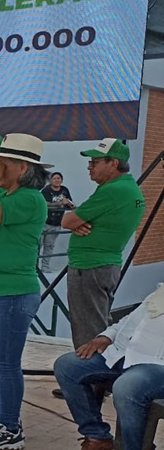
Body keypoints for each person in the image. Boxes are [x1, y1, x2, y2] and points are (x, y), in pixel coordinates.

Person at [0, 133, 50, 450]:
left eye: (1, 162)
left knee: (4, 363)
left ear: (21, 167)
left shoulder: (30, 199)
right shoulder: (9, 195)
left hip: (12, 292)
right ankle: (4, 416)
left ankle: (10, 426)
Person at [52, 283, 164, 450]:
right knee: (68, 366)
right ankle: (97, 437)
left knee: (127, 387)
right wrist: (106, 337)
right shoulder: (160, 292)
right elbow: (129, 321)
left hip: (157, 366)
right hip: (125, 355)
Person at [61, 138, 146, 348]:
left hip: (89, 267)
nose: (89, 167)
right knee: (98, 325)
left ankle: (89, 369)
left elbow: (67, 221)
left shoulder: (112, 190)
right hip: (104, 266)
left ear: (113, 163)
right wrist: (78, 222)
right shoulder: (128, 188)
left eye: (95, 162)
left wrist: (76, 222)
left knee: (88, 334)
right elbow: (79, 220)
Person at [38, 172, 74, 272]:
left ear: (61, 180)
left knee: (49, 246)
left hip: (56, 223)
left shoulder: (64, 190)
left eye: (58, 178)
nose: (57, 180)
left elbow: (69, 202)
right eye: (54, 178)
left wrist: (71, 206)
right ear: (50, 180)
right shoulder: (46, 191)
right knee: (38, 245)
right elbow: (43, 203)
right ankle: (34, 266)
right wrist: (59, 203)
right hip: (44, 222)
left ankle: (45, 267)